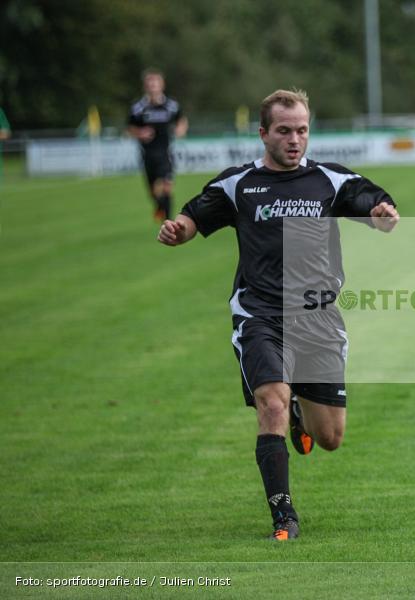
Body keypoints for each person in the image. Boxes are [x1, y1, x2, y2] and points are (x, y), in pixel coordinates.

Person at [157, 89, 399, 540]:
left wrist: (382, 215)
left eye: (302, 130)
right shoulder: (239, 185)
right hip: (261, 315)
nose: (295, 139)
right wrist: (178, 230)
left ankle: (299, 417)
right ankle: (284, 516)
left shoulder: (329, 180)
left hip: (319, 320)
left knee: (329, 438)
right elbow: (193, 216)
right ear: (263, 132)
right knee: (270, 400)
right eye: (285, 130)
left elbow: (374, 202)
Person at [128, 69, 189, 222]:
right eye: (150, 84)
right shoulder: (139, 108)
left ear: (162, 85)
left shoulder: (171, 106)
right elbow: (130, 128)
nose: (153, 87)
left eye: (156, 83)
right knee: (154, 193)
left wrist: (180, 129)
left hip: (165, 153)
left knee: (166, 186)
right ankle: (160, 208)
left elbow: (182, 120)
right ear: (145, 87)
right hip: (148, 155)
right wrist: (140, 133)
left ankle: (168, 222)